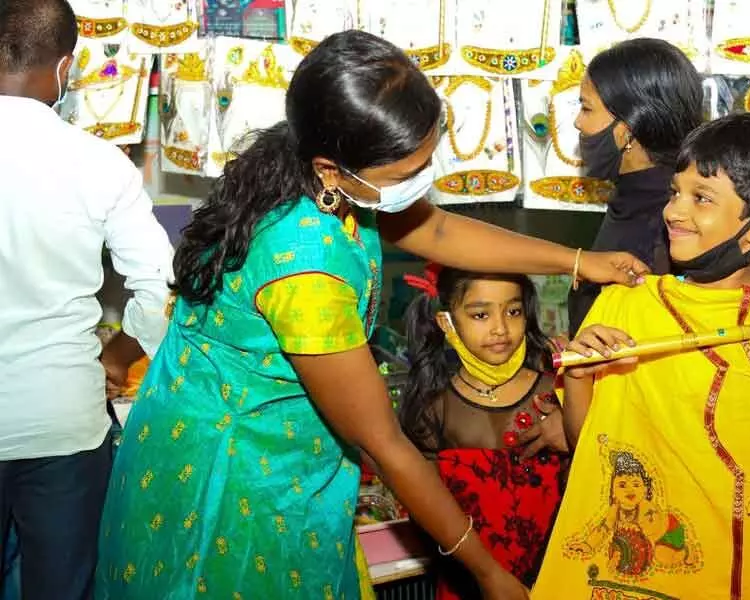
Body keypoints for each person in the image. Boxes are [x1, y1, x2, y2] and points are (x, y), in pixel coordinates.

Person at [96, 30, 647, 600]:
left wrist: (579, 260)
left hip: (271, 446)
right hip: (236, 479)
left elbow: (433, 228)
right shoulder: (306, 271)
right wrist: (487, 572)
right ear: (332, 168)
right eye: (407, 173)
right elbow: (386, 444)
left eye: (427, 159)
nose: (422, 182)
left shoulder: (322, 172)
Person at [531, 111, 750, 599]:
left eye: (702, 198)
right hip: (642, 573)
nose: (674, 211)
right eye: (676, 192)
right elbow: (592, 453)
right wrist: (583, 378)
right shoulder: (624, 304)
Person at [0, 1, 174, 598]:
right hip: (62, 427)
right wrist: (120, 355)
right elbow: (159, 285)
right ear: (67, 66)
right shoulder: (100, 163)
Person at [398, 265, 568, 599]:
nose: (501, 328)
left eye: (514, 311)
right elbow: (429, 518)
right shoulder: (434, 411)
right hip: (470, 585)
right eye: (480, 315)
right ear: (448, 323)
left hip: (560, 579)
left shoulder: (560, 395)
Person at [567, 38, 704, 335]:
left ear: (625, 131)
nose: (578, 123)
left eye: (586, 108)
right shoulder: (636, 197)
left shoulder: (665, 222)